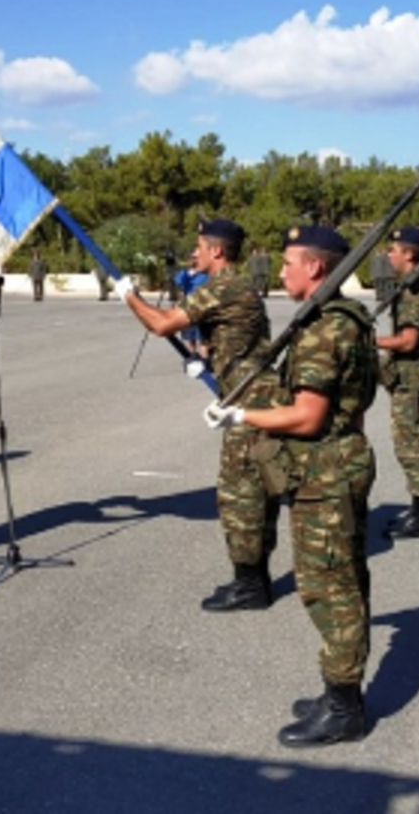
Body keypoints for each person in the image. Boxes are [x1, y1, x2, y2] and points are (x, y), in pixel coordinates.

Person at [206, 224, 378, 748]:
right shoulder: (335, 318)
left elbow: (306, 417)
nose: (279, 272)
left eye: (288, 263)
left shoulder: (327, 329)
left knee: (332, 590)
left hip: (326, 472)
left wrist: (242, 412)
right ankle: (340, 692)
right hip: (332, 466)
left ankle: (345, 705)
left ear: (317, 268)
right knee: (338, 581)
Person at [117, 219, 281, 611]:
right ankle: (254, 580)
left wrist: (130, 296)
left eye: (200, 247)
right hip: (246, 393)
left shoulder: (223, 287)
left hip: (249, 400)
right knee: (255, 493)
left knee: (239, 495)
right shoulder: (235, 287)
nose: (195, 253)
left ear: (217, 251)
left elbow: (161, 324)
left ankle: (250, 586)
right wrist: (201, 359)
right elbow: (230, 340)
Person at [376, 227, 419, 540]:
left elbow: (408, 340)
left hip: (413, 375)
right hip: (412, 375)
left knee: (413, 444)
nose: (389, 255)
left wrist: (371, 339)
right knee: (413, 441)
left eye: (394, 249)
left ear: (409, 254)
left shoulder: (413, 292)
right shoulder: (416, 285)